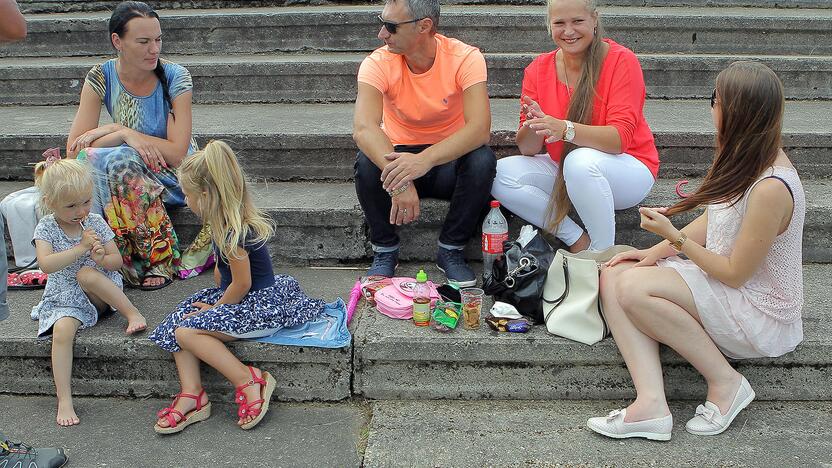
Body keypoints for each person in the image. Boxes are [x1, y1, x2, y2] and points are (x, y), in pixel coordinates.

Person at [587, 61, 804, 441]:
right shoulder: (747, 157)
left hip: (759, 310)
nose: (711, 108)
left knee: (634, 289)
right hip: (729, 289)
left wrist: (676, 239)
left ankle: (726, 383)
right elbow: (716, 219)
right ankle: (651, 405)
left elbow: (736, 272)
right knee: (614, 272)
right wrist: (654, 251)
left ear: (735, 111)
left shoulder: (771, 186)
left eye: (715, 100)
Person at [148, 140, 325, 433]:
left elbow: (242, 284)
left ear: (205, 195)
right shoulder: (222, 227)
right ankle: (193, 394)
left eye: (188, 196)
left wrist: (215, 309)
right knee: (179, 319)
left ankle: (249, 379)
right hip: (242, 298)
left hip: (259, 305)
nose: (187, 202)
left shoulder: (233, 231)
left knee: (186, 331)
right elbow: (225, 280)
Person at [491, 0, 658, 253]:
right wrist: (534, 124)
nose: (568, 31)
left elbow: (619, 139)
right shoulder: (537, 69)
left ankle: (602, 255)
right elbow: (527, 149)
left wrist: (566, 129)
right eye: (559, 23)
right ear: (549, 26)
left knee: (579, 161)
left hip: (628, 169)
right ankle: (578, 240)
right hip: (566, 169)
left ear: (594, 20)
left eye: (577, 21)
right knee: (498, 173)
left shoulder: (621, 61)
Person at [65, 1, 210, 290]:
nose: (154, 49)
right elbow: (75, 150)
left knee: (119, 159)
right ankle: (109, 254)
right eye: (143, 42)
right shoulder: (101, 76)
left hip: (176, 176)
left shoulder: (175, 77)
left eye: (158, 40)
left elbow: (178, 153)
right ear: (117, 41)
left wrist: (121, 129)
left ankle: (158, 258)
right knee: (100, 159)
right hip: (129, 173)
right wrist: (123, 135)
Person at [353, 0, 496, 286]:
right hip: (398, 155)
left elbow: (479, 129)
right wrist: (401, 181)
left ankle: (451, 249)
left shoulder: (464, 57)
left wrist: (424, 160)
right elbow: (364, 128)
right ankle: (385, 250)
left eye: (391, 27)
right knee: (366, 161)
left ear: (424, 26)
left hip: (447, 158)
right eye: (381, 22)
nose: (382, 34)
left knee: (482, 159)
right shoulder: (377, 62)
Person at [32, 158, 147, 427]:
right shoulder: (47, 228)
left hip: (101, 292)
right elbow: (46, 265)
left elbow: (116, 261)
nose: (80, 211)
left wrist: (100, 258)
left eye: (85, 202)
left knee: (86, 274)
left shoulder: (94, 221)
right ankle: (64, 399)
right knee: (61, 332)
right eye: (71, 206)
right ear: (50, 202)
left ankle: (132, 313)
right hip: (65, 296)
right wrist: (81, 248)